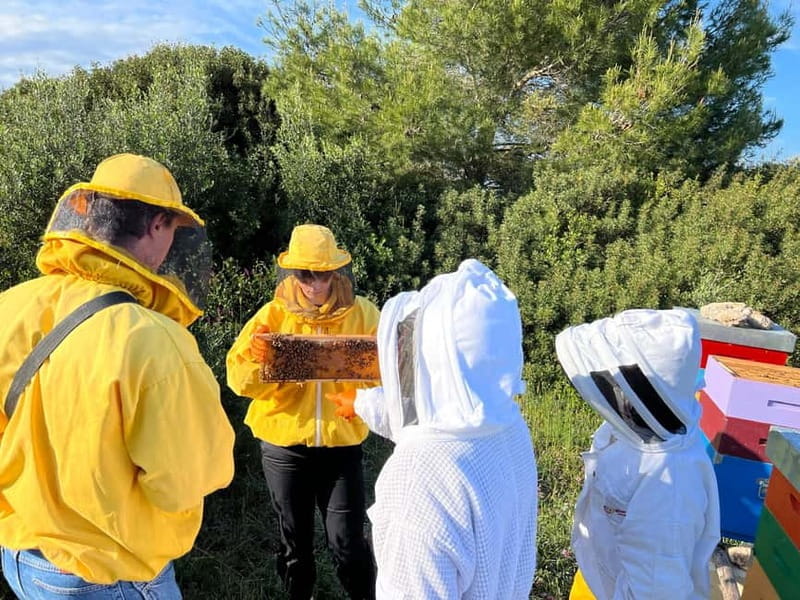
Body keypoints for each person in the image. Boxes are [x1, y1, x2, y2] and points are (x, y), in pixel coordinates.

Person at [0, 153, 236, 598]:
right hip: (110, 573)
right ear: (157, 226)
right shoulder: (153, 340)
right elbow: (187, 479)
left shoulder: (10, 306)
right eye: (174, 231)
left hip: (21, 556)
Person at [330, 258, 538, 599]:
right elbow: (428, 420)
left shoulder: (419, 480)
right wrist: (362, 404)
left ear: (435, 360)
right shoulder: (509, 429)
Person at [226, 224, 379, 600]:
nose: (313, 283)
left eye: (321, 273)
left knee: (348, 545)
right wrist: (267, 367)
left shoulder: (364, 314)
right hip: (284, 447)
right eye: (304, 274)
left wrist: (370, 373)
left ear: (336, 272)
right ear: (292, 274)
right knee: (295, 547)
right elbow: (237, 380)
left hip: (341, 447)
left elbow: (386, 375)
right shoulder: (270, 317)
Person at [555, 308, 721, 600]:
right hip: (600, 575)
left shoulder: (669, 485)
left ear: (648, 388)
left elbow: (656, 588)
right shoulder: (634, 433)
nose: (614, 392)